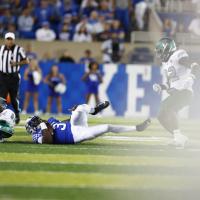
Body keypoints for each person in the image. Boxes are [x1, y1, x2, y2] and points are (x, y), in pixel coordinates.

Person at [25, 101, 151, 144]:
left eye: (38, 119)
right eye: (36, 121)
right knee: (107, 127)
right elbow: (48, 140)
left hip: (74, 125)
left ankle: (94, 110)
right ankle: (137, 128)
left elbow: (63, 123)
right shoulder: (36, 135)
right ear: (32, 126)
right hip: (77, 136)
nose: (39, 120)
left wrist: (73, 115)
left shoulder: (50, 121)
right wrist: (43, 126)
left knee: (79, 107)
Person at [153, 37, 200, 147]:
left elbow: (195, 66)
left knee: (167, 107)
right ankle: (178, 137)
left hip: (185, 92)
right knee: (160, 115)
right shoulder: (166, 65)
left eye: (160, 51)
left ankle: (178, 137)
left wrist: (191, 78)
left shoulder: (177, 55)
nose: (159, 54)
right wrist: (161, 87)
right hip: (177, 93)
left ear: (167, 49)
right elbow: (171, 84)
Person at [0, 32, 29, 124]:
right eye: (8, 39)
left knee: (13, 98)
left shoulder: (19, 49)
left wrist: (16, 63)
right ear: (5, 40)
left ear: (13, 40)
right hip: (2, 76)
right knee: (1, 98)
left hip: (13, 76)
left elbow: (26, 61)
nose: (9, 41)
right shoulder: (1, 49)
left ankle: (16, 114)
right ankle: (1, 116)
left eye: (11, 39)